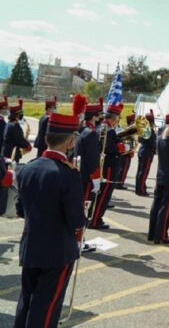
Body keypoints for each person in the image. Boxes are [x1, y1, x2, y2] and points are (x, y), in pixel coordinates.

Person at [13, 107, 86, 327]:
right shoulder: (69, 173)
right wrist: (85, 216)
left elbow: (19, 208)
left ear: (46, 138)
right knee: (46, 308)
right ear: (70, 141)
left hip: (31, 245)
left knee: (26, 301)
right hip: (57, 251)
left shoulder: (27, 168)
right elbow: (75, 220)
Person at [89, 102, 124, 230]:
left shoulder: (103, 127)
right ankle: (95, 220)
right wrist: (122, 147)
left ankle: (95, 217)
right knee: (104, 194)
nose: (118, 120)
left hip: (106, 164)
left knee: (102, 193)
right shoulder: (108, 130)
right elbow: (109, 148)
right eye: (118, 117)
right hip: (109, 166)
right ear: (114, 117)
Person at [74, 97, 101, 253]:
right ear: (94, 116)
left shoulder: (82, 130)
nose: (100, 118)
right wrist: (96, 179)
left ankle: (78, 239)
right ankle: (78, 241)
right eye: (98, 115)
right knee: (83, 209)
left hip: (80, 175)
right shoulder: (90, 133)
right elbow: (92, 160)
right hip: (86, 178)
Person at [148, 113, 169, 245]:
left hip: (160, 176)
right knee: (166, 208)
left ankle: (152, 233)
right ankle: (161, 235)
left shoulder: (159, 138)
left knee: (156, 205)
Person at [135, 109, 157, 197]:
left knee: (140, 171)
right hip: (147, 152)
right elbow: (152, 143)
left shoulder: (144, 128)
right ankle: (141, 189)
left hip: (142, 151)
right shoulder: (149, 130)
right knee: (144, 172)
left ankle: (139, 187)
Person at [3, 99, 32, 163]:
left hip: (7, 152)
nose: (20, 116)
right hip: (12, 153)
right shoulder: (14, 126)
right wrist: (27, 145)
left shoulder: (10, 123)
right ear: (16, 115)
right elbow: (20, 139)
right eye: (19, 114)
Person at [115, 112, 137, 190]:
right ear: (131, 122)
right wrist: (131, 151)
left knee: (122, 168)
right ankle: (120, 184)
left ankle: (119, 183)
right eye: (133, 122)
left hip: (125, 152)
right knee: (124, 169)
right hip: (126, 153)